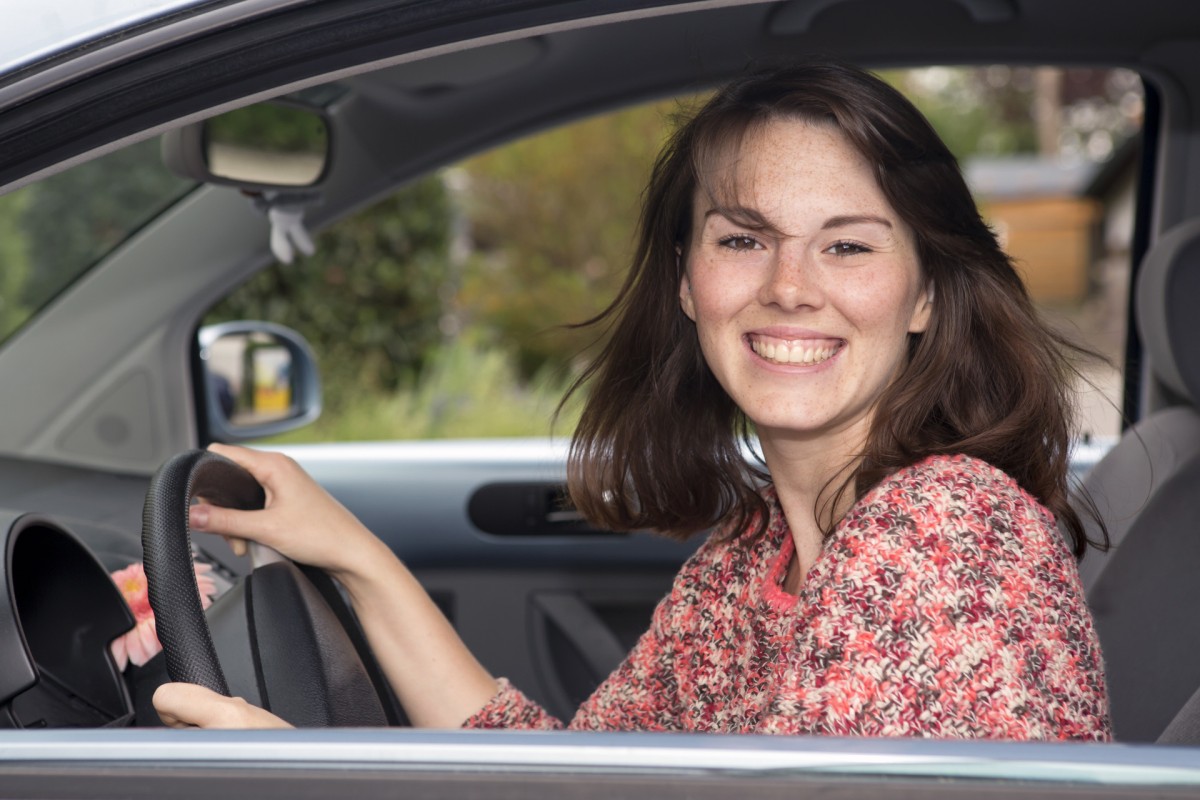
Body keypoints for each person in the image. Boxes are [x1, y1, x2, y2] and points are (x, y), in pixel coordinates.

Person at [153, 62, 1111, 739]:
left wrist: (299, 774)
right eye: (743, 240)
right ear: (689, 281)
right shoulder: (753, 553)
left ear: (927, 295)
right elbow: (570, 775)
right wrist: (353, 554)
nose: (790, 287)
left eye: (848, 246)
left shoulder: (947, 534)